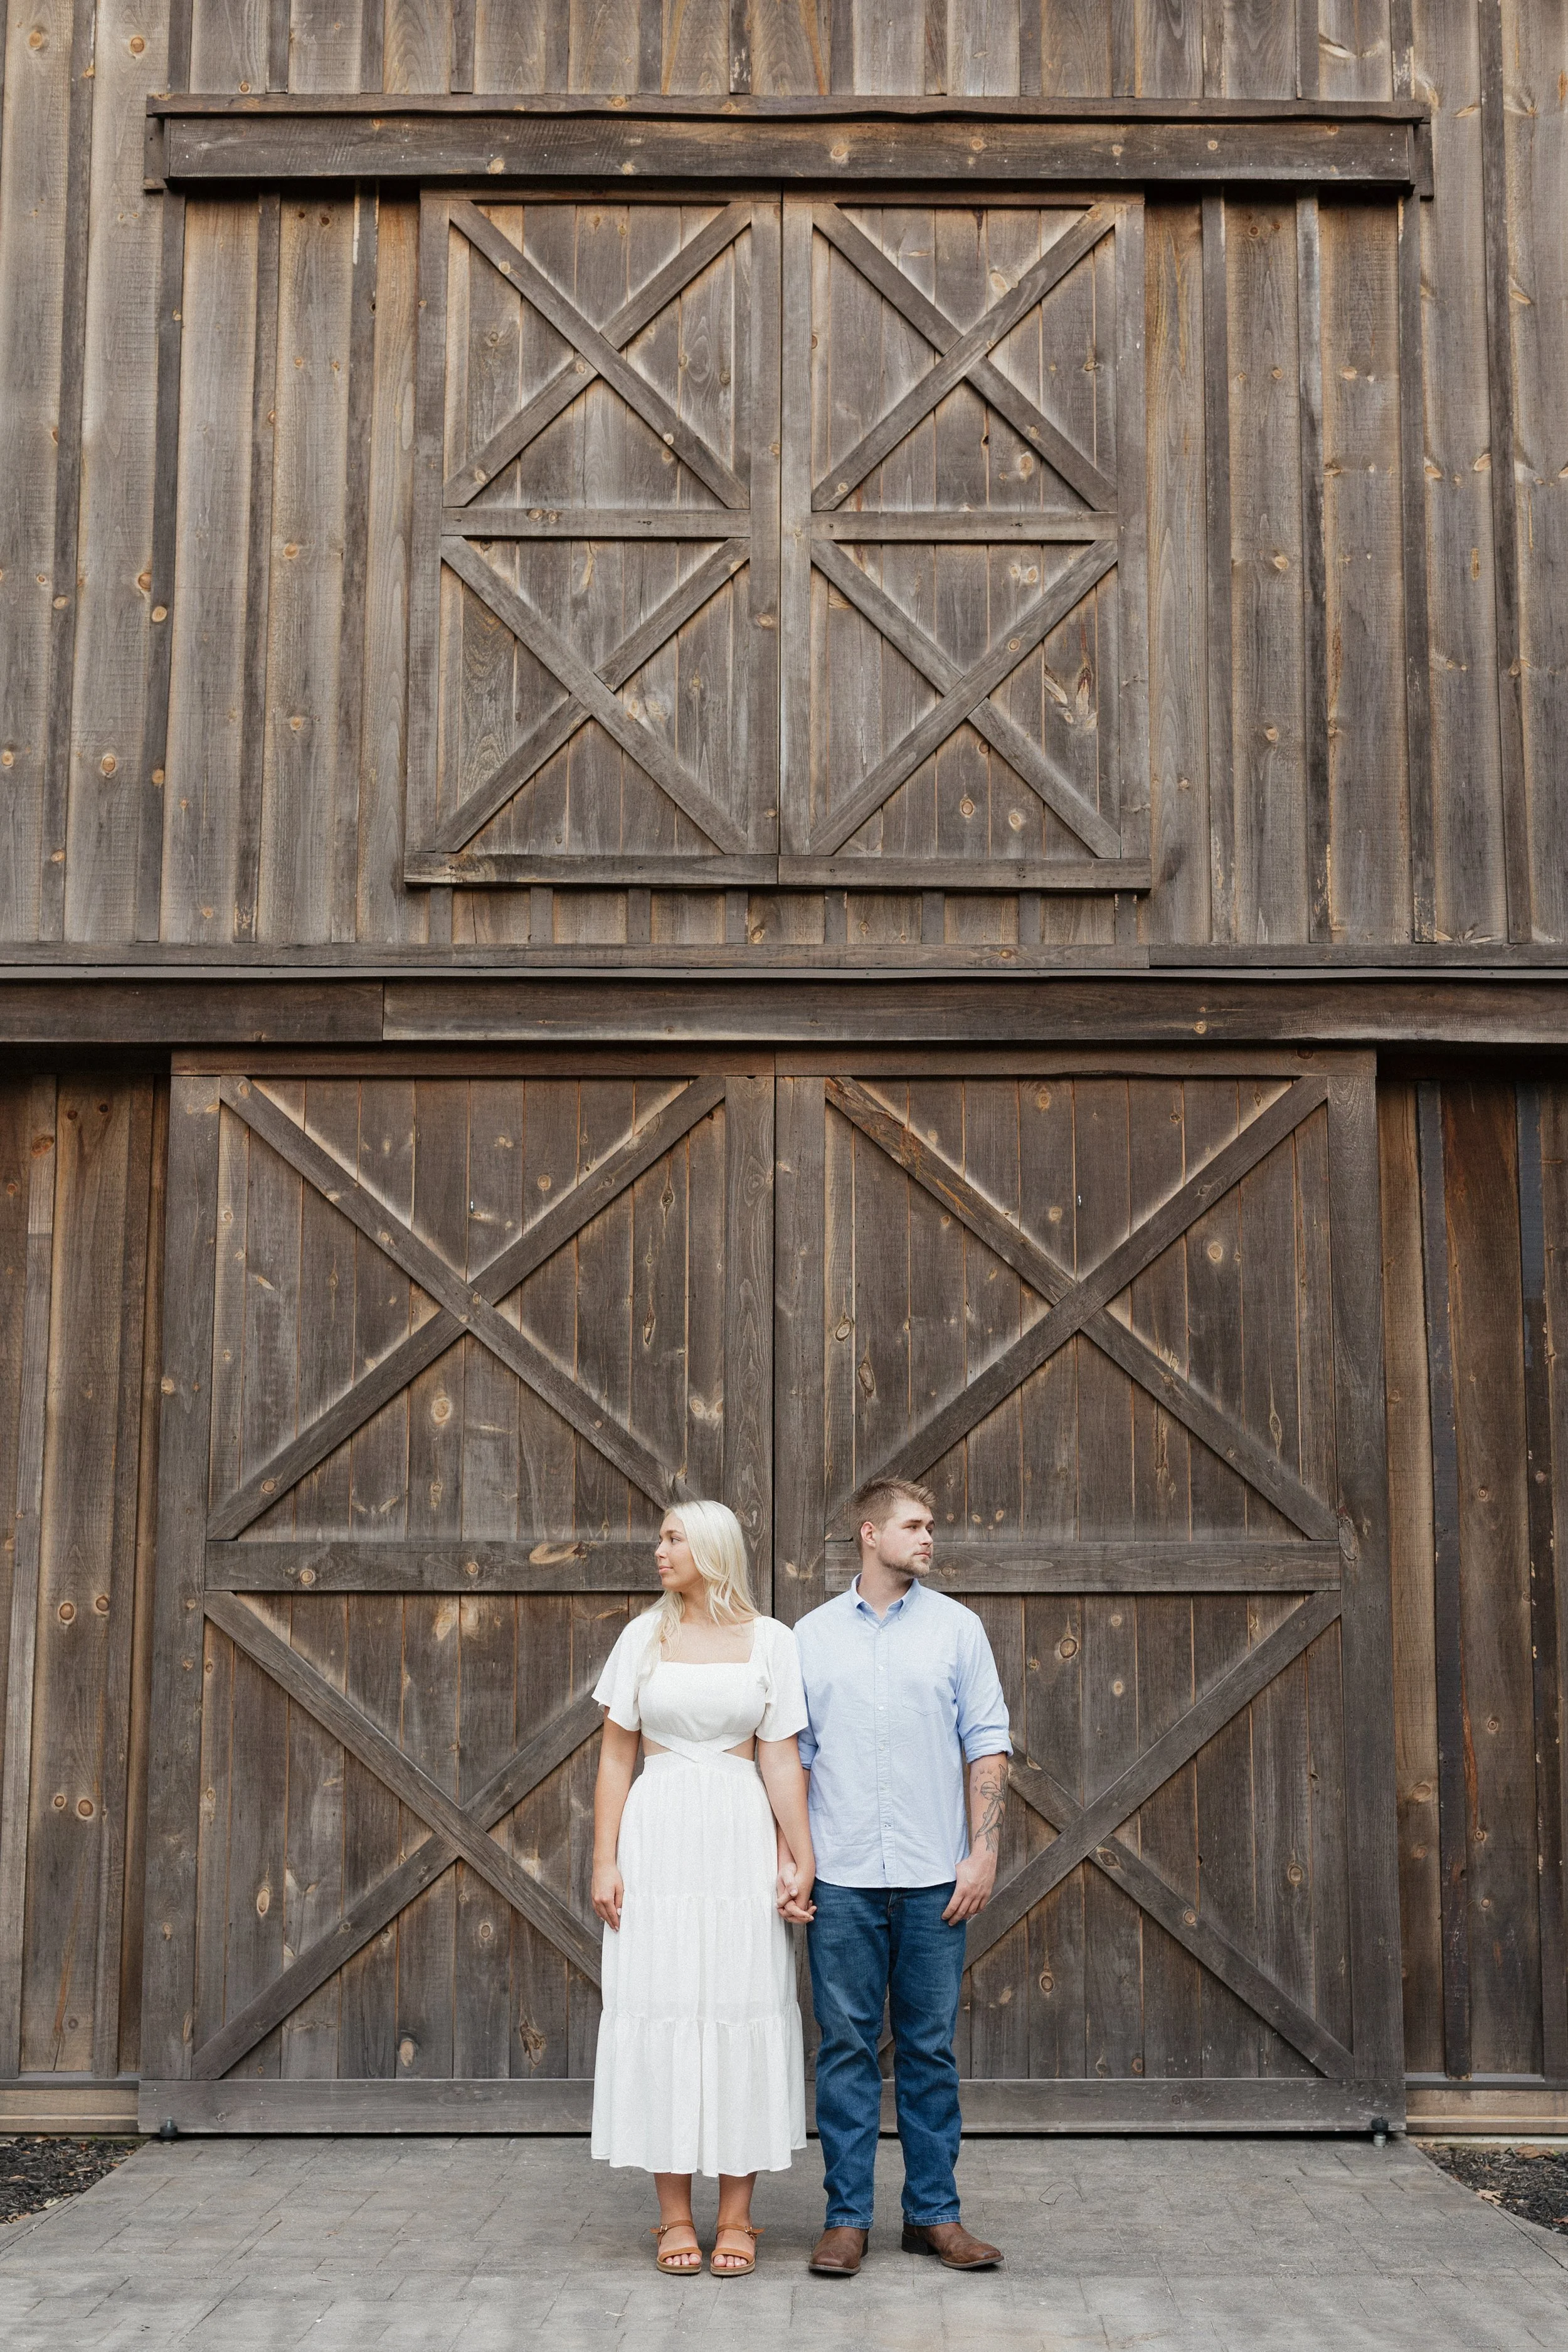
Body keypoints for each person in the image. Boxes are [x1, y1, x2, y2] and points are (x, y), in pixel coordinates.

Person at [790, 1476, 1010, 2277]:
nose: (929, 1539)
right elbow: (796, 1760)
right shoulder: (807, 1638)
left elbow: (986, 1743)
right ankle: (846, 2219)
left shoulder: (958, 1630)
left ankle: (934, 2217)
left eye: (930, 1526)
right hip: (842, 1876)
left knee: (928, 2049)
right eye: (914, 1526)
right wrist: (795, 1861)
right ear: (869, 1532)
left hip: (932, 1878)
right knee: (844, 2049)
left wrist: (982, 1853)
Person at [590, 1499, 815, 2279]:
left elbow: (781, 1758)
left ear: (712, 1549)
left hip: (737, 1836)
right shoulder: (641, 1638)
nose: (659, 1549)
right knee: (662, 2004)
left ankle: (739, 2217)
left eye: (673, 1538)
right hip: (658, 1838)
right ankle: (673, 2215)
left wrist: (799, 1857)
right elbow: (616, 1758)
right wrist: (604, 1860)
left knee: (740, 2005)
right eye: (660, 1536)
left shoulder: (772, 1643)